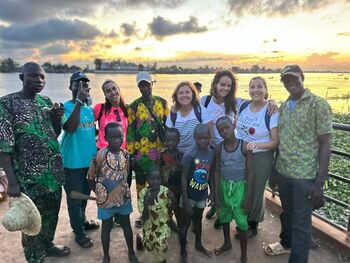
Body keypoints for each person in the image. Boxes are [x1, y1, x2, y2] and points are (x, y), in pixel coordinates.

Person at [0, 62, 70, 262]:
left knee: (51, 215)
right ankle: (34, 255)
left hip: (53, 175)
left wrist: (57, 120)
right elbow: (3, 148)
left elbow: (53, 135)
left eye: (42, 77)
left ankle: (47, 245)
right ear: (22, 77)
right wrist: (12, 182)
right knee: (31, 218)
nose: (39, 81)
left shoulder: (45, 101)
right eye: (34, 76)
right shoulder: (6, 104)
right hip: (28, 178)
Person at [265, 65, 332, 263]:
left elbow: (325, 145)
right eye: (286, 80)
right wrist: (274, 172)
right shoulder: (284, 107)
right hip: (283, 173)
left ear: (303, 77)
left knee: (302, 226)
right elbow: (281, 141)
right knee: (289, 215)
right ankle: (287, 245)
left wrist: (320, 183)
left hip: (304, 177)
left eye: (294, 79)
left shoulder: (318, 105)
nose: (290, 83)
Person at [87, 122, 140, 263]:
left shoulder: (126, 155)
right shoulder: (99, 156)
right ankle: (106, 255)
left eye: (119, 136)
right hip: (106, 203)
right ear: (105, 137)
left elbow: (127, 176)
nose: (117, 140)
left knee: (126, 226)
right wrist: (99, 193)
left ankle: (131, 252)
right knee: (106, 228)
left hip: (123, 200)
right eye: (112, 137)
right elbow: (90, 178)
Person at [60, 71, 99, 249]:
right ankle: (78, 232)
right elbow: (71, 128)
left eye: (85, 85)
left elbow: (90, 133)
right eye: (78, 84)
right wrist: (78, 102)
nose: (82, 87)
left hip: (88, 164)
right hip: (72, 164)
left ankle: (82, 222)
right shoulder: (65, 107)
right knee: (74, 199)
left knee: (84, 196)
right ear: (71, 87)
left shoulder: (90, 111)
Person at [236, 76, 279, 237]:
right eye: (252, 87)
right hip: (242, 154)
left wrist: (257, 145)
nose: (255, 90)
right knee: (243, 188)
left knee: (256, 189)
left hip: (261, 157)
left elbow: (275, 142)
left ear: (266, 90)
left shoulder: (271, 111)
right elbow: (220, 98)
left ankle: (252, 225)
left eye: (260, 86)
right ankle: (244, 219)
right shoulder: (243, 105)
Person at [127, 71, 168, 228]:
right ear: (138, 86)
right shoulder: (133, 106)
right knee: (141, 187)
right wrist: (131, 155)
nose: (144, 87)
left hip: (158, 154)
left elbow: (167, 126)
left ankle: (157, 212)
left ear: (152, 84)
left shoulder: (162, 103)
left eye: (147, 84)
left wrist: (166, 150)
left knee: (158, 184)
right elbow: (130, 132)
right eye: (141, 85)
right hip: (140, 156)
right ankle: (144, 214)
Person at [213, 116, 253, 263]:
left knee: (242, 223)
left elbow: (250, 172)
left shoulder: (244, 146)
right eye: (220, 130)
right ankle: (227, 242)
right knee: (224, 216)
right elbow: (217, 171)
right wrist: (216, 193)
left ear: (233, 125)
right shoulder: (219, 148)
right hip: (224, 186)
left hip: (240, 188)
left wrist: (248, 197)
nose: (225, 131)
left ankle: (244, 255)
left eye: (227, 127)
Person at [180, 124, 214, 262]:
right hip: (189, 196)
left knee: (198, 221)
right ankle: (183, 250)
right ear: (194, 138)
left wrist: (212, 192)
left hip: (202, 196)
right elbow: (183, 177)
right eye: (199, 138)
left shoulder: (212, 152)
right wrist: (186, 201)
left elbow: (210, 174)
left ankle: (198, 244)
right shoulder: (190, 154)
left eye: (206, 138)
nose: (203, 141)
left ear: (210, 137)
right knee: (185, 224)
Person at [94, 79, 131, 187]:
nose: (113, 92)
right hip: (104, 157)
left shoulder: (128, 110)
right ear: (105, 94)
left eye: (114, 88)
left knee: (124, 190)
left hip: (123, 157)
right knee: (105, 190)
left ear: (118, 89)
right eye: (108, 91)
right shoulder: (99, 108)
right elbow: (85, 124)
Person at [137, 165, 174, 263]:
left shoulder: (165, 191)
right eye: (152, 179)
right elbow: (144, 218)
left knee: (162, 246)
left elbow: (170, 209)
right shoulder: (143, 194)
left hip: (163, 227)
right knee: (149, 246)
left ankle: (161, 260)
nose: (155, 182)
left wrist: (172, 200)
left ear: (161, 179)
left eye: (158, 179)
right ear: (147, 180)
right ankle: (140, 239)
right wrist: (146, 203)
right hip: (149, 228)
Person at [166, 81, 212, 153]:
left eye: (187, 92)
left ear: (193, 94)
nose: (184, 95)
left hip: (197, 153)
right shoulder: (173, 113)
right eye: (180, 93)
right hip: (178, 154)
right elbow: (169, 137)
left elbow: (209, 132)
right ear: (176, 96)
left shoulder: (200, 110)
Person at [158, 128, 183, 232]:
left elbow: (183, 173)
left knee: (178, 209)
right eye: (168, 140)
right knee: (166, 209)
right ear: (165, 140)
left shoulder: (181, 155)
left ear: (178, 140)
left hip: (178, 188)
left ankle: (181, 226)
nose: (171, 143)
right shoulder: (161, 155)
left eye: (173, 140)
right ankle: (170, 222)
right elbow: (158, 173)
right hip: (165, 188)